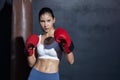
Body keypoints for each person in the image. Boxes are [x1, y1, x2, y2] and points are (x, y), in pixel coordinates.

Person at [25, 7, 74, 80]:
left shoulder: (60, 38)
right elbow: (31, 64)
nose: (45, 24)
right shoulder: (38, 39)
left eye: (48, 20)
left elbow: (71, 61)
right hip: (35, 74)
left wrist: (66, 46)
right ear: (39, 22)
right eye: (42, 21)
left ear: (53, 20)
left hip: (51, 76)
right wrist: (29, 51)